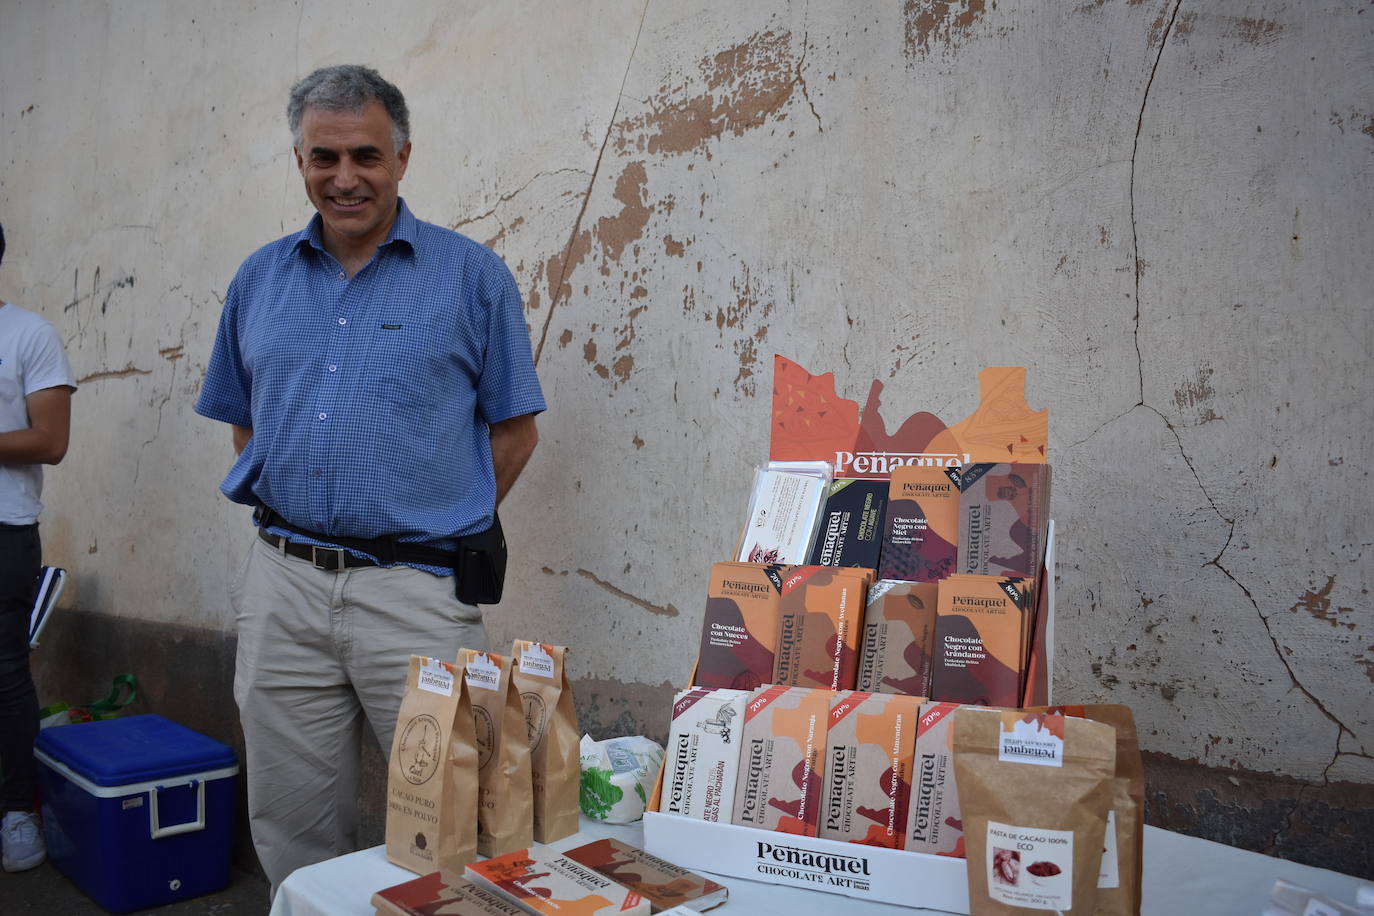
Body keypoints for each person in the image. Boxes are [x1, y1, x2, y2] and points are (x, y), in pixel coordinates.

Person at [194, 66, 544, 889]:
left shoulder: (471, 276)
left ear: (403, 157)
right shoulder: (259, 280)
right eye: (324, 157)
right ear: (300, 162)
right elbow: (246, 421)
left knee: (463, 817)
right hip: (282, 585)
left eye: (366, 156)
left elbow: (516, 433)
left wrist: (436, 514)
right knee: (291, 817)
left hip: (418, 592)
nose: (345, 177)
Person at [0, 221, 76, 872]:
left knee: (3, 674)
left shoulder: (27, 334)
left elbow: (50, 439)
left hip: (3, 529)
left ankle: (16, 812)